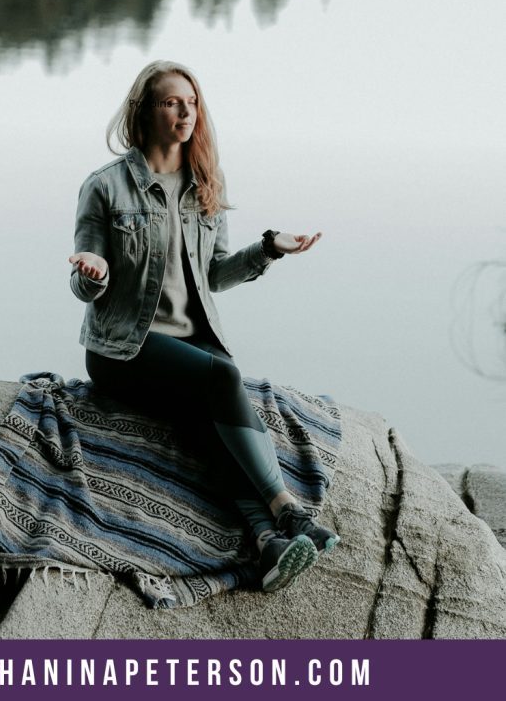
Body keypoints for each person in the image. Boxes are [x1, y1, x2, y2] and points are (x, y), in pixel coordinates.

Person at [68, 60, 339, 592]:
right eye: (171, 102)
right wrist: (93, 275)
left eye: (191, 102)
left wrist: (266, 250)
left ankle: (267, 545)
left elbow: (214, 275)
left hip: (189, 343)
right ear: (144, 111)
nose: (185, 112)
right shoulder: (105, 187)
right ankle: (287, 509)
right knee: (222, 379)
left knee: (204, 427)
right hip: (123, 349)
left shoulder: (204, 185)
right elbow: (83, 280)